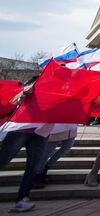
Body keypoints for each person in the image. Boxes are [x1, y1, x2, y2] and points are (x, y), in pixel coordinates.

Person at [0, 77, 47, 212]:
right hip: (20, 130)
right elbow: (14, 98)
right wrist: (25, 91)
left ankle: (22, 199)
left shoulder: (61, 90)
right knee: (3, 160)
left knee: (34, 167)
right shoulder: (34, 83)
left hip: (41, 132)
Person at [32, 124, 77, 189]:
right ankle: (38, 175)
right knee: (48, 149)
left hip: (71, 124)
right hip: (57, 125)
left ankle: (46, 167)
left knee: (67, 145)